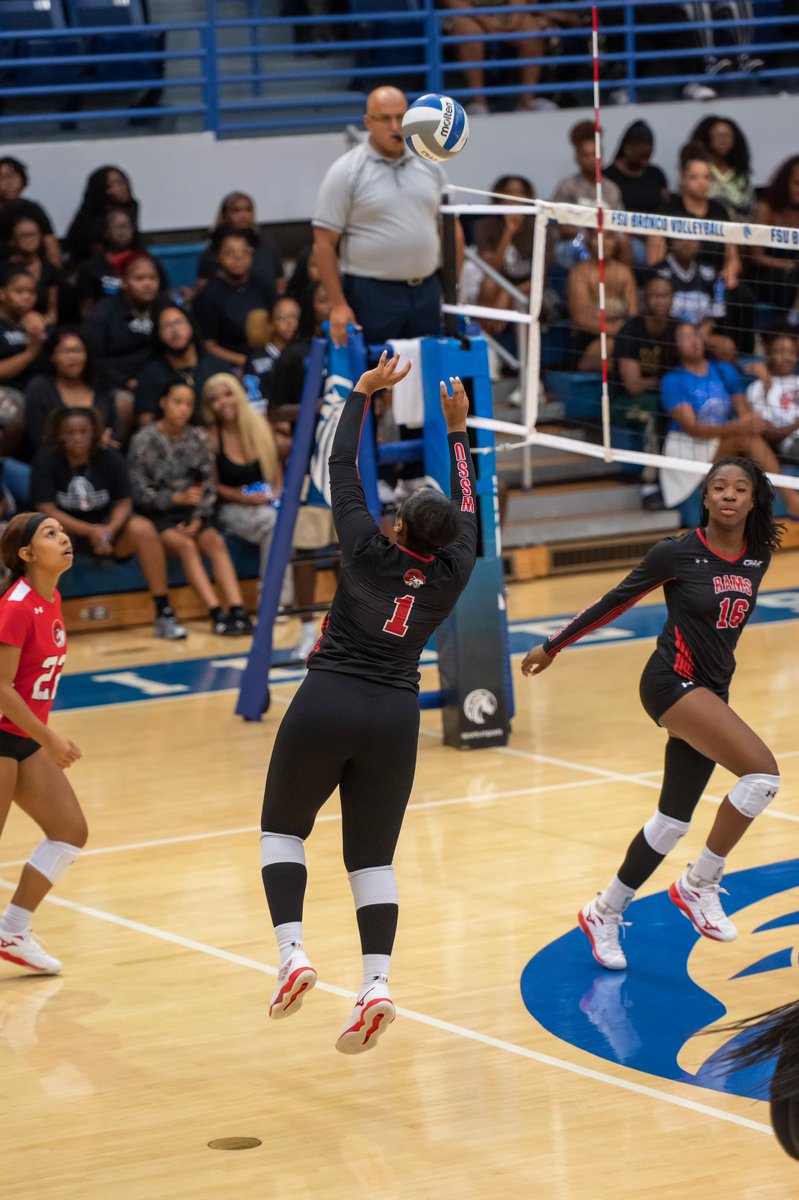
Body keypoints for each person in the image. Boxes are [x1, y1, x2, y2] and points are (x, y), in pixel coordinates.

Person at [260, 356, 477, 1053]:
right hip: (394, 714)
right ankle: (375, 983)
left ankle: (294, 953)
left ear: (397, 526)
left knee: (283, 832)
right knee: (371, 860)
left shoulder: (361, 545)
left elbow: (340, 463)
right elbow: (474, 509)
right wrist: (459, 434)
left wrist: (360, 393)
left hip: (328, 697)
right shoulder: (455, 571)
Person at [521, 456, 783, 972]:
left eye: (740, 489)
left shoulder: (758, 555)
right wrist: (554, 644)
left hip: (711, 692)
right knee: (762, 776)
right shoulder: (677, 554)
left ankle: (604, 911)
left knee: (670, 822)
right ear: (704, 497)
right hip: (670, 683)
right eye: (719, 488)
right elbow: (616, 600)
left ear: (753, 501)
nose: (729, 496)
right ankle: (699, 883)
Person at [0, 511, 88, 974]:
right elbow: (0, 687)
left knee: (69, 830)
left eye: (63, 530)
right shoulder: (16, 603)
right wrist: (50, 738)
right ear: (27, 554)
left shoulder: (48, 599)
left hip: (22, 737)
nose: (64, 537)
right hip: (4, 734)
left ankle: (12, 930)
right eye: (50, 534)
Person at [313, 86, 462, 349]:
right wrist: (338, 305)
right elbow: (323, 243)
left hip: (427, 289)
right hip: (371, 292)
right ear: (369, 122)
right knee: (376, 378)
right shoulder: (346, 171)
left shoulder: (431, 165)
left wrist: (452, 288)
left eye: (401, 117)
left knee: (426, 373)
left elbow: (452, 231)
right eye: (386, 118)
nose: (395, 126)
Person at [30, 407, 186, 641]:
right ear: (59, 435)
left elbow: (124, 501)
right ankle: (42, 624)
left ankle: (164, 612)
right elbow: (46, 508)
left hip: (108, 530)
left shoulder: (110, 457)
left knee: (143, 529)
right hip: (68, 533)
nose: (77, 438)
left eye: (83, 432)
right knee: (44, 539)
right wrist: (90, 532)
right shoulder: (46, 460)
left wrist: (108, 531)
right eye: (70, 433)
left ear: (94, 432)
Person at [127, 381, 253, 636]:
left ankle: (238, 610)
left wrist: (198, 517)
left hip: (195, 514)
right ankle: (216, 612)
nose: (182, 409)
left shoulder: (198, 438)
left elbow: (209, 486)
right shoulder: (144, 440)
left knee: (215, 541)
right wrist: (175, 498)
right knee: (187, 547)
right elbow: (139, 493)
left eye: (188, 404)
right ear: (163, 402)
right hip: (160, 515)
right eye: (177, 402)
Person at [658, 322, 799, 515]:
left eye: (697, 335)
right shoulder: (672, 380)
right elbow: (694, 428)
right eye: (686, 338)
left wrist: (754, 418)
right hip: (689, 448)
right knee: (745, 437)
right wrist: (740, 425)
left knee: (749, 436)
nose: (695, 342)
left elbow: (743, 411)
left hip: (720, 442)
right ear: (674, 345)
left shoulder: (722, 369)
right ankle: (792, 500)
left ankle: (785, 502)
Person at [201, 373, 284, 587]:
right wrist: (243, 497)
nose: (223, 402)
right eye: (214, 399)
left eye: (228, 394)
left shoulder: (260, 424)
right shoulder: (211, 437)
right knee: (274, 524)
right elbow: (212, 486)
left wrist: (276, 493)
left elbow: (276, 468)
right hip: (231, 506)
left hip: (266, 500)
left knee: (288, 519)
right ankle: (271, 598)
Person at [437, 0, 550, 115]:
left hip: (502, 13)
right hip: (464, 14)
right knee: (469, 32)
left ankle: (527, 102)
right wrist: (486, 21)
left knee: (531, 31)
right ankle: (479, 104)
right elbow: (454, 3)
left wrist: (514, 17)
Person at [23, 327, 116, 459]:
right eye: (65, 351)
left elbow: (114, 432)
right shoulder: (39, 387)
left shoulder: (101, 385)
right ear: (52, 356)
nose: (72, 357)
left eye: (78, 350)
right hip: (52, 462)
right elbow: (38, 438)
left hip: (98, 462)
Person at [192, 231, 278, 368]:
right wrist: (245, 362)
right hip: (231, 364)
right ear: (218, 256)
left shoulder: (263, 284)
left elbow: (277, 320)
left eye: (244, 251)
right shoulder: (207, 295)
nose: (238, 257)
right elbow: (208, 346)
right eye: (229, 252)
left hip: (269, 356)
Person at [134, 306, 229, 427]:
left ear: (191, 326)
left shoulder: (216, 365)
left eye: (179, 322)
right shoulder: (150, 373)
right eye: (166, 325)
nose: (174, 330)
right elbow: (146, 423)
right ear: (158, 334)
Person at [75, 208, 169, 317]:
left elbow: (164, 295)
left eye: (127, 227)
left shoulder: (147, 262)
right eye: (117, 227)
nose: (123, 232)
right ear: (106, 232)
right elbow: (86, 308)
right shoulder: (92, 268)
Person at [567, 229, 638, 371]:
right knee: (609, 346)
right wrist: (614, 330)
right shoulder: (579, 272)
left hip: (621, 336)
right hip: (588, 338)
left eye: (609, 237)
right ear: (589, 241)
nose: (603, 243)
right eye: (597, 237)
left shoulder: (624, 272)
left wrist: (622, 332)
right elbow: (580, 319)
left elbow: (633, 314)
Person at [196, 192, 285, 297]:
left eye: (248, 210)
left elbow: (280, 280)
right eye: (236, 211)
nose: (244, 215)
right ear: (224, 215)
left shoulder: (266, 243)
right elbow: (202, 284)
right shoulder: (215, 246)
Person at [749, 156, 799, 315]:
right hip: (767, 274)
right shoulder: (766, 209)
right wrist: (789, 266)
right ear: (785, 183)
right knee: (790, 282)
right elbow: (756, 257)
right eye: (797, 184)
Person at [64, 166, 140, 266]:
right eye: (113, 185)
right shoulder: (91, 221)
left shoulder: (131, 207)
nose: (122, 187)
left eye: (122, 182)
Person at [688, 115, 754, 221]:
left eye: (727, 135)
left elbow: (749, 209)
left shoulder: (742, 177)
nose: (723, 140)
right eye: (718, 135)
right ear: (708, 137)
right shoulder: (699, 170)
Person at [745, 330, 799, 460]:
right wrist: (796, 424)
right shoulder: (757, 387)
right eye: (781, 352)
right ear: (768, 353)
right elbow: (767, 436)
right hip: (793, 443)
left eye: (792, 352)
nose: (787, 357)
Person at [0, 157, 61, 269]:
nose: (9, 183)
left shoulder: (33, 209)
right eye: (2, 177)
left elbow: (51, 244)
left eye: (13, 176)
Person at [1, 217, 59, 326]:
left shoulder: (50, 269)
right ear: (13, 240)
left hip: (40, 324)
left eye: (33, 234)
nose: (30, 239)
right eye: (24, 235)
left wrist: (44, 324)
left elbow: (52, 310)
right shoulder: (3, 269)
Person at [604, 121, 670, 217]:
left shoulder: (656, 174)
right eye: (641, 156)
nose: (645, 162)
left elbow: (667, 205)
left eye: (648, 156)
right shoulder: (609, 176)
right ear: (627, 149)